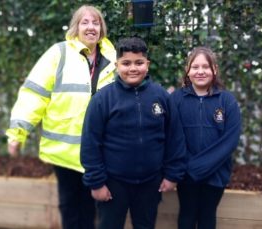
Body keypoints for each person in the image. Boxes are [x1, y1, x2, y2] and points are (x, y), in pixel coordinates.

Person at [6, 5, 116, 229]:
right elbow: (34, 94)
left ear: (101, 28)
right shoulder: (59, 53)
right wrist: (18, 132)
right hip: (64, 150)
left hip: (98, 149)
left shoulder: (113, 58)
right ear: (76, 27)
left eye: (95, 23)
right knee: (69, 205)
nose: (90, 27)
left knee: (91, 207)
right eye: (85, 22)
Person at [80, 37, 186, 229]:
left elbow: (175, 138)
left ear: (148, 64)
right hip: (112, 183)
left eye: (139, 62)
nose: (133, 68)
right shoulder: (102, 99)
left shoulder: (161, 97)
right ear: (116, 65)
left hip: (150, 183)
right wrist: (96, 183)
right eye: (126, 63)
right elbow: (90, 143)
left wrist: (172, 175)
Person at [170, 47, 242, 229]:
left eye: (205, 67)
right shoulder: (176, 100)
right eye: (195, 67)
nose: (200, 71)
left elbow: (229, 141)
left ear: (214, 70)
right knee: (187, 215)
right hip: (186, 176)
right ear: (187, 70)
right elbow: (173, 137)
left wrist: (197, 168)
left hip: (215, 174)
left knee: (207, 216)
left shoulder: (227, 101)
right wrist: (186, 168)